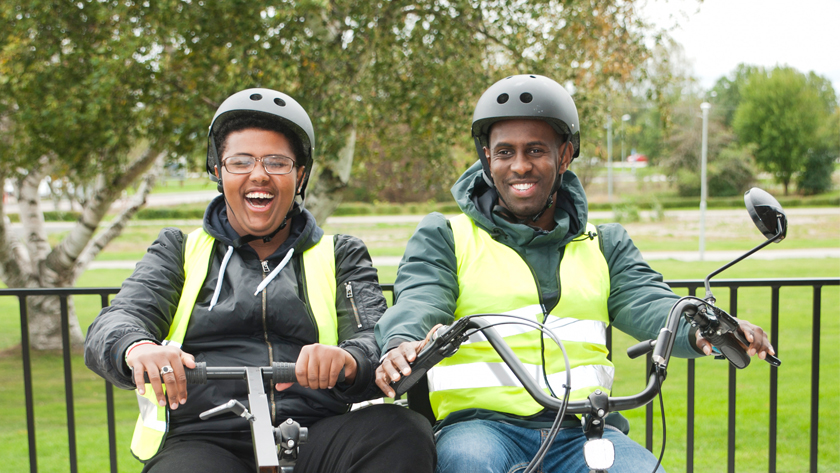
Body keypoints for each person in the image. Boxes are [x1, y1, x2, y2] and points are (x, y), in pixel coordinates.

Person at [373, 75, 775, 473]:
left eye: (535, 150)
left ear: (564, 156)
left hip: (586, 428)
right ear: (486, 158)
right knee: (469, 464)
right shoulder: (447, 235)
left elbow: (649, 302)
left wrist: (706, 326)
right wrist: (403, 342)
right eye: (504, 152)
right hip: (482, 428)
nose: (520, 166)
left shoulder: (605, 243)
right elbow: (419, 299)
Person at [85, 88, 435, 473]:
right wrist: (138, 349)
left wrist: (349, 359)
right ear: (218, 172)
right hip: (205, 437)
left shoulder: (341, 254)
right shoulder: (178, 250)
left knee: (402, 431)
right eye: (240, 162)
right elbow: (115, 322)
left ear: (300, 175)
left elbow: (373, 336)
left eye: (277, 162)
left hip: (316, 431)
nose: (259, 175)